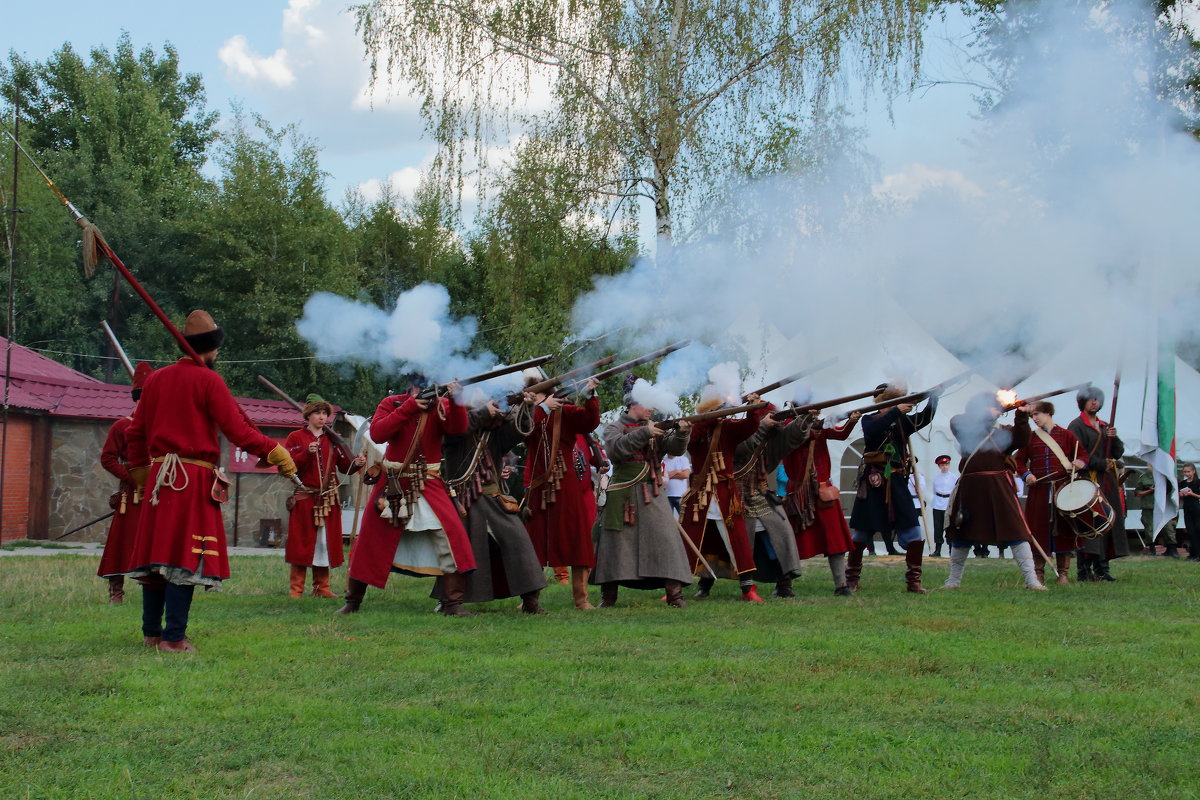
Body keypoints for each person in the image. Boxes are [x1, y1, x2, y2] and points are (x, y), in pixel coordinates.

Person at [126, 311, 296, 653]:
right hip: (190, 479)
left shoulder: (156, 380)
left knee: (160, 557)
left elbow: (135, 434)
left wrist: (144, 477)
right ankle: (173, 638)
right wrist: (275, 450)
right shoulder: (209, 381)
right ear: (212, 349)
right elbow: (238, 432)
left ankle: (151, 635)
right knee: (183, 560)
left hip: (160, 477)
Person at [337, 376, 477, 616]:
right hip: (393, 481)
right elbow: (379, 434)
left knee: (452, 538)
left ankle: (453, 604)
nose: (421, 391)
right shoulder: (392, 403)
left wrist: (456, 401)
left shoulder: (440, 406)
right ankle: (353, 601)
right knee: (368, 541)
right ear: (409, 388)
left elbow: (458, 429)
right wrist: (410, 407)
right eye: (418, 388)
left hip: (429, 481)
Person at [434, 397, 548, 613]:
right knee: (459, 552)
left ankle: (530, 599)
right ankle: (451, 601)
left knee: (519, 542)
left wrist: (527, 406)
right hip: (464, 500)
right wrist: (483, 413)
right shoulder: (456, 425)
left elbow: (517, 432)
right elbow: (456, 431)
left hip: (494, 499)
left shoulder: (493, 433)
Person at [592, 394, 695, 608]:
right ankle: (608, 597)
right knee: (614, 546)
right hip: (622, 494)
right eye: (646, 403)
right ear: (632, 404)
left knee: (667, 541)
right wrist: (645, 432)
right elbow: (615, 450)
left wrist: (683, 433)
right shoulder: (614, 427)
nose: (651, 407)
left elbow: (675, 448)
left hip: (653, 492)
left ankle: (675, 596)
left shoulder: (655, 426)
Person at [943, 394, 1045, 590]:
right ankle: (953, 581)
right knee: (961, 534)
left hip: (999, 488)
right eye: (992, 408)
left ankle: (1031, 581)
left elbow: (1022, 440)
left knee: (1017, 532)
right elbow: (957, 422)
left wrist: (1022, 416)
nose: (997, 411)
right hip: (971, 488)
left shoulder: (1003, 432)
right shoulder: (964, 426)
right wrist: (986, 415)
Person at [847, 383, 938, 594]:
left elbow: (924, 419)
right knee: (860, 534)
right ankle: (851, 579)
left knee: (913, 531)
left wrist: (934, 399)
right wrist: (897, 410)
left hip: (896, 482)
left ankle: (913, 582)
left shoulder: (901, 420)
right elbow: (872, 431)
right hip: (873, 481)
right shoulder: (869, 418)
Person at [678, 393, 769, 601]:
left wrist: (753, 406)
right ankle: (677, 587)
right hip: (700, 494)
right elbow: (692, 440)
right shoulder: (696, 428)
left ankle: (748, 589)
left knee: (738, 541)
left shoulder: (727, 428)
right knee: (691, 540)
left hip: (725, 494)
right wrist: (714, 414)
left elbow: (749, 426)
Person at [522, 376, 601, 609]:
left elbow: (590, 422)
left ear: (545, 393)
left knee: (577, 539)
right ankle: (530, 598)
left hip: (565, 484)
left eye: (533, 395)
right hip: (538, 485)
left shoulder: (565, 411)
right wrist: (543, 408)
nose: (529, 398)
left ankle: (581, 599)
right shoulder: (526, 414)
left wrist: (590, 396)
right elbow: (524, 431)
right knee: (534, 541)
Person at [283, 395, 366, 598]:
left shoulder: (332, 439)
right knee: (301, 545)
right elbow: (288, 466)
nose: (322, 417)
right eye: (317, 413)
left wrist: (357, 463)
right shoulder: (295, 437)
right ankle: (297, 589)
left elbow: (345, 466)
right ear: (308, 415)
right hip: (305, 497)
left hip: (328, 499)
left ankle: (322, 587)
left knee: (325, 543)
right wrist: (306, 453)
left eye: (324, 413)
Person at [733, 409, 813, 598]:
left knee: (780, 535)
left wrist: (806, 418)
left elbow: (792, 437)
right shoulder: (738, 437)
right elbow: (741, 449)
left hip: (760, 495)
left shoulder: (771, 443)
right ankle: (705, 583)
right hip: (733, 498)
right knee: (722, 542)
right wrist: (762, 426)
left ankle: (784, 583)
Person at [781, 412, 860, 595]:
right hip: (799, 495)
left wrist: (852, 419)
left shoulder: (820, 425)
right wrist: (815, 424)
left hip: (823, 492)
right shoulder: (788, 426)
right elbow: (798, 435)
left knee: (836, 541)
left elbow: (840, 434)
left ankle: (841, 585)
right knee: (790, 542)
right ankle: (784, 585)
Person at [96, 361, 153, 604]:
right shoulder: (121, 426)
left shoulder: (161, 428)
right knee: (121, 541)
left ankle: (152, 590)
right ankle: (116, 592)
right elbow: (108, 458)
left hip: (155, 493)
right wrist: (131, 477)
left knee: (152, 541)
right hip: (131, 494)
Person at [1013, 401, 1088, 585]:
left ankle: (1063, 574)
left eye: (1037, 414)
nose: (1034, 419)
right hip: (1039, 491)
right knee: (1037, 530)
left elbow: (1083, 456)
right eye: (1032, 416)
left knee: (1064, 530)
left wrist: (1078, 463)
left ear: (1048, 413)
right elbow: (1019, 461)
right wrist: (1027, 474)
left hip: (1062, 490)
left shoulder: (1067, 435)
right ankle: (1038, 573)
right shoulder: (1030, 438)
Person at [1067, 386, 1129, 581]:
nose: (1094, 402)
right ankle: (1083, 570)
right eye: (1090, 399)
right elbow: (1077, 454)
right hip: (1088, 479)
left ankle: (1103, 568)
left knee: (1108, 521)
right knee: (1089, 523)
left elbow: (1117, 453)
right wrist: (1102, 464)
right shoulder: (1076, 426)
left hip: (1107, 480)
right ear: (1083, 402)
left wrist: (1114, 437)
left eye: (1097, 399)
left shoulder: (1104, 426)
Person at [1134, 469, 1179, 557]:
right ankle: (1152, 548)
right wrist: (1150, 491)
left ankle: (1172, 549)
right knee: (1149, 528)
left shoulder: (1167, 475)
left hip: (1163, 506)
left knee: (1168, 527)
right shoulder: (1144, 477)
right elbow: (1137, 493)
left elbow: (1173, 489)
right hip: (1148, 507)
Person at [929, 454, 958, 558]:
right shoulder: (936, 478)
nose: (944, 467)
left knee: (949, 527)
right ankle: (938, 549)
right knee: (938, 527)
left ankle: (951, 549)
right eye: (942, 465)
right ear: (939, 466)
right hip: (938, 503)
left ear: (949, 465)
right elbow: (934, 490)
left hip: (949, 504)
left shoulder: (954, 478)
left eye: (946, 464)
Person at [1179, 463, 1200, 561]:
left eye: (1188, 471)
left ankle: (1198, 555)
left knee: (1197, 530)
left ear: (1193, 471)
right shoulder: (1183, 483)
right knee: (1190, 531)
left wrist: (1192, 493)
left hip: (1196, 508)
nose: (1187, 474)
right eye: (1185, 472)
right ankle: (1192, 554)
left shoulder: (1198, 482)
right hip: (1187, 509)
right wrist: (1181, 494)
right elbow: (1179, 496)